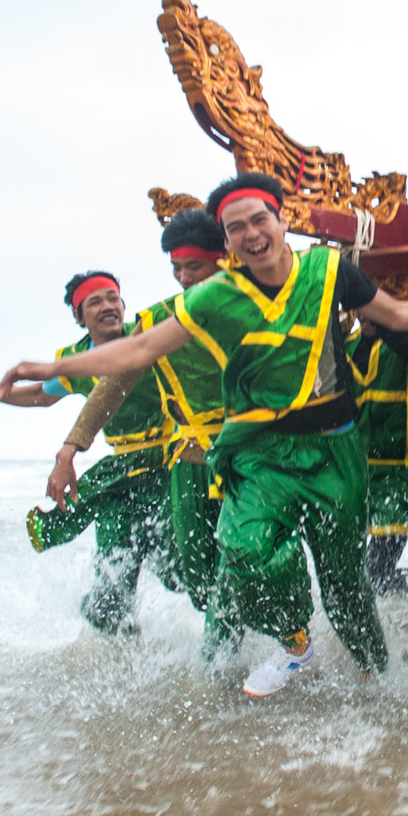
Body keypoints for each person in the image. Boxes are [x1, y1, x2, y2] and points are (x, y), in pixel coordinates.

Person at [0, 173, 408, 698]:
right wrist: (46, 367)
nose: (250, 233)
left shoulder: (328, 270)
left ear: (281, 220)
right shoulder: (215, 299)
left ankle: (378, 679)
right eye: (234, 227)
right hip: (259, 454)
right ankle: (295, 641)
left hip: (336, 450)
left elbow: (399, 314)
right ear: (227, 242)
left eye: (258, 219)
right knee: (243, 548)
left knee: (346, 588)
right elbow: (136, 352)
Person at [0, 270, 179, 635]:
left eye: (112, 298)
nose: (107, 307)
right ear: (79, 316)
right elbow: (41, 396)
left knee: (179, 569)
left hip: (171, 462)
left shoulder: (148, 336)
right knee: (112, 578)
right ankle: (121, 657)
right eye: (95, 302)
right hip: (118, 475)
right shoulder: (76, 360)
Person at [64, 209, 235, 653]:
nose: (182, 279)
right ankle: (122, 637)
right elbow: (113, 382)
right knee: (197, 579)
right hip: (190, 461)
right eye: (175, 269)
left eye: (191, 267)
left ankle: (243, 656)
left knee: (247, 557)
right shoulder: (162, 319)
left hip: (256, 451)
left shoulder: (260, 300)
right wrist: (69, 449)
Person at [347, 317, 408, 594]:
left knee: (376, 575)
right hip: (354, 473)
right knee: (351, 573)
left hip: (398, 475)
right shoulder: (346, 344)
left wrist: (384, 314)